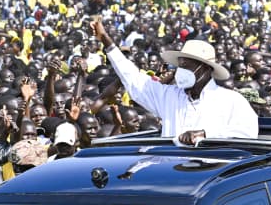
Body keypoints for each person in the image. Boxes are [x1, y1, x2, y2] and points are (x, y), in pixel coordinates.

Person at [94, 20, 258, 142]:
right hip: (173, 178)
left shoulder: (231, 100)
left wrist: (206, 134)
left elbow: (248, 131)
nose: (181, 71)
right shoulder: (169, 96)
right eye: (180, 65)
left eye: (187, 66)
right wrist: (106, 40)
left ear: (205, 69)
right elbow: (132, 78)